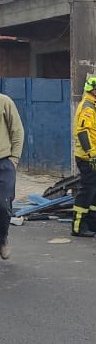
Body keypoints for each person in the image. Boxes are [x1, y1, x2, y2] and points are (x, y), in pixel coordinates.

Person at [72, 76, 96, 237]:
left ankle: (94, 223)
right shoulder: (88, 107)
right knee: (87, 191)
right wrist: (91, 154)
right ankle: (78, 226)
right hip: (89, 158)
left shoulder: (95, 106)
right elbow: (82, 132)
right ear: (95, 92)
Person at [0, 93, 24, 260]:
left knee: (3, 205)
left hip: (3, 163)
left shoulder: (4, 101)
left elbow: (17, 130)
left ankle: (2, 238)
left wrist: (14, 159)